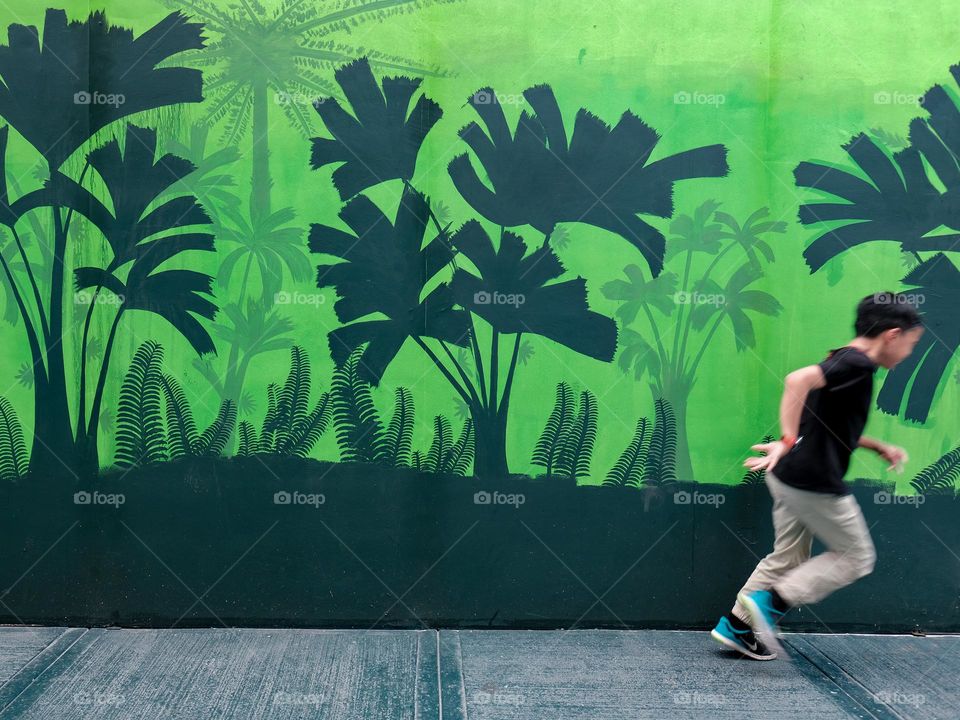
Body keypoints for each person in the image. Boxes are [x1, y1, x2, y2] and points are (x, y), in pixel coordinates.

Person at [711, 291, 924, 660]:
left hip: (788, 474)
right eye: (910, 344)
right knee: (856, 557)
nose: (908, 354)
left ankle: (737, 626)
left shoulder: (843, 358)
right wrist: (787, 437)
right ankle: (771, 602)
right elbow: (796, 380)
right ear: (891, 335)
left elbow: (832, 424)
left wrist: (874, 445)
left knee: (788, 557)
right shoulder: (856, 364)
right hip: (814, 482)